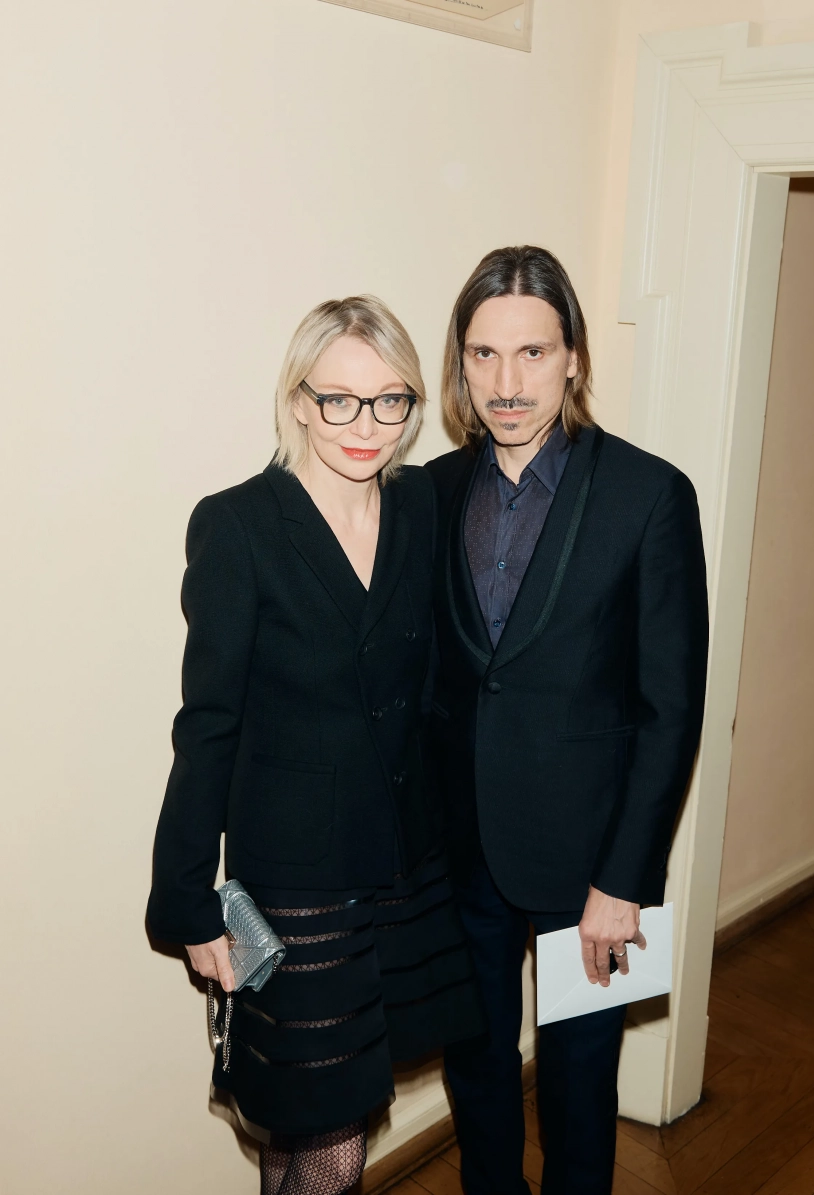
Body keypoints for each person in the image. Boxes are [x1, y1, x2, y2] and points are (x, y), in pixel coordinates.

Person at [147, 296, 482, 1195]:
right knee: (329, 1141)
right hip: (295, 882)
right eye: (339, 399)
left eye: (390, 400)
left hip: (402, 865)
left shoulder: (418, 505)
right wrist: (188, 900)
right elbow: (208, 722)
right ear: (298, 400)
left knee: (307, 1127)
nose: (366, 425)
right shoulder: (240, 525)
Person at [424, 246, 709, 1195]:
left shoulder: (649, 495)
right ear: (461, 363)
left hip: (592, 869)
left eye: (533, 352)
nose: (506, 383)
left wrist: (624, 879)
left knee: (581, 1088)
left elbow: (671, 708)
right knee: (476, 1068)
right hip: (460, 855)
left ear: (575, 357)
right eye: (484, 354)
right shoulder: (431, 492)